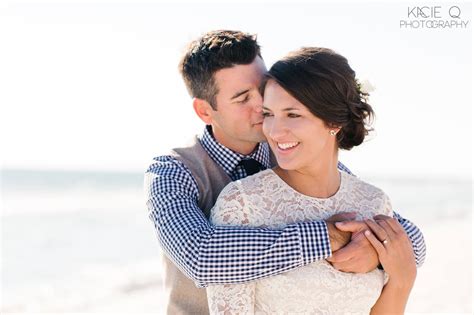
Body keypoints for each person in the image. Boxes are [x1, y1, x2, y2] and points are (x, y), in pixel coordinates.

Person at [144, 30, 425, 315]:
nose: (261, 106)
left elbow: (402, 233)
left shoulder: (299, 157)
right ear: (205, 111)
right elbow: (201, 258)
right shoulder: (172, 172)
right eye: (243, 98)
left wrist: (374, 247)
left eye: (262, 89)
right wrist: (330, 236)